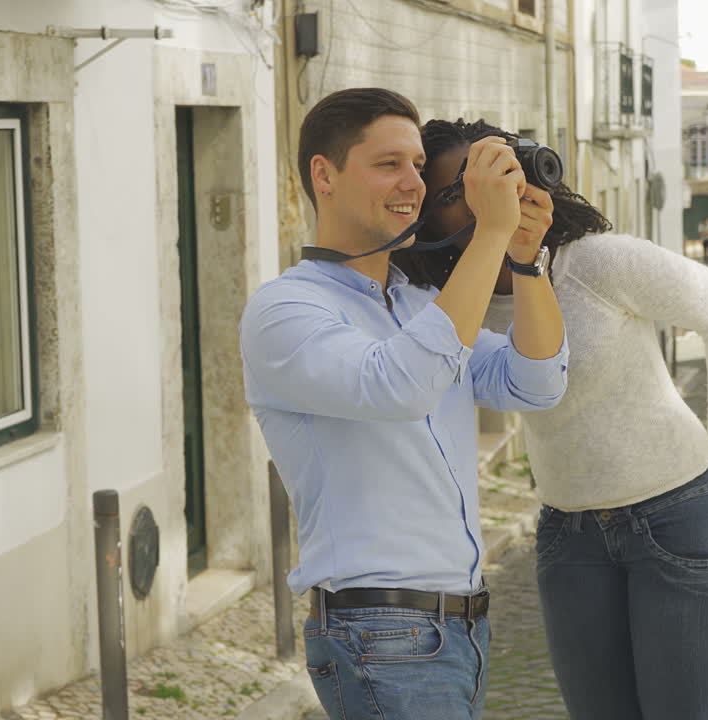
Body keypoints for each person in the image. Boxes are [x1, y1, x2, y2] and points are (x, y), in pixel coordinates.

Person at [395, 119, 708, 720]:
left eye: (490, 178)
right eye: (456, 192)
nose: (481, 198)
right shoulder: (452, 308)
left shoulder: (594, 263)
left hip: (677, 513)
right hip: (568, 533)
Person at [239, 90, 569, 720]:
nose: (413, 183)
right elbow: (398, 385)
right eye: (390, 163)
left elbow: (536, 384)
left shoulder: (419, 304)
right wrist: (491, 234)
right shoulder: (286, 310)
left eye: (418, 166)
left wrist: (526, 263)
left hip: (458, 627)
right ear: (324, 174)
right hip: (380, 633)